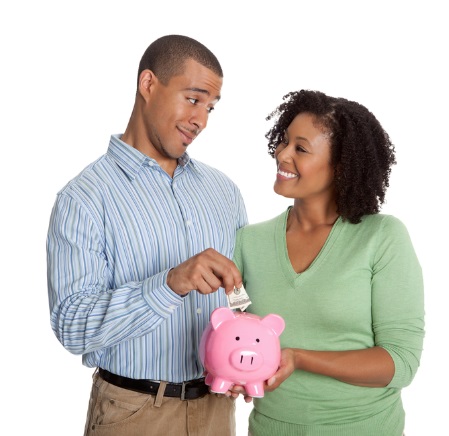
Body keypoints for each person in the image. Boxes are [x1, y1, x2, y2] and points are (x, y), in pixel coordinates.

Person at [47, 34, 248, 436]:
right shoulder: (84, 198)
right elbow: (72, 326)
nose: (201, 119)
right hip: (133, 413)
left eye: (210, 107)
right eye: (193, 99)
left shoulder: (224, 191)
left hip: (217, 411)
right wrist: (169, 284)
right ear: (149, 85)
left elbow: (242, 299)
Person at [232, 89, 424, 435]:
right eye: (285, 141)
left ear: (340, 166)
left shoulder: (382, 237)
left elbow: (400, 362)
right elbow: (235, 334)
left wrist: (299, 358)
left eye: (300, 148)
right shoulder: (249, 241)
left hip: (363, 427)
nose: (282, 154)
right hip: (270, 427)